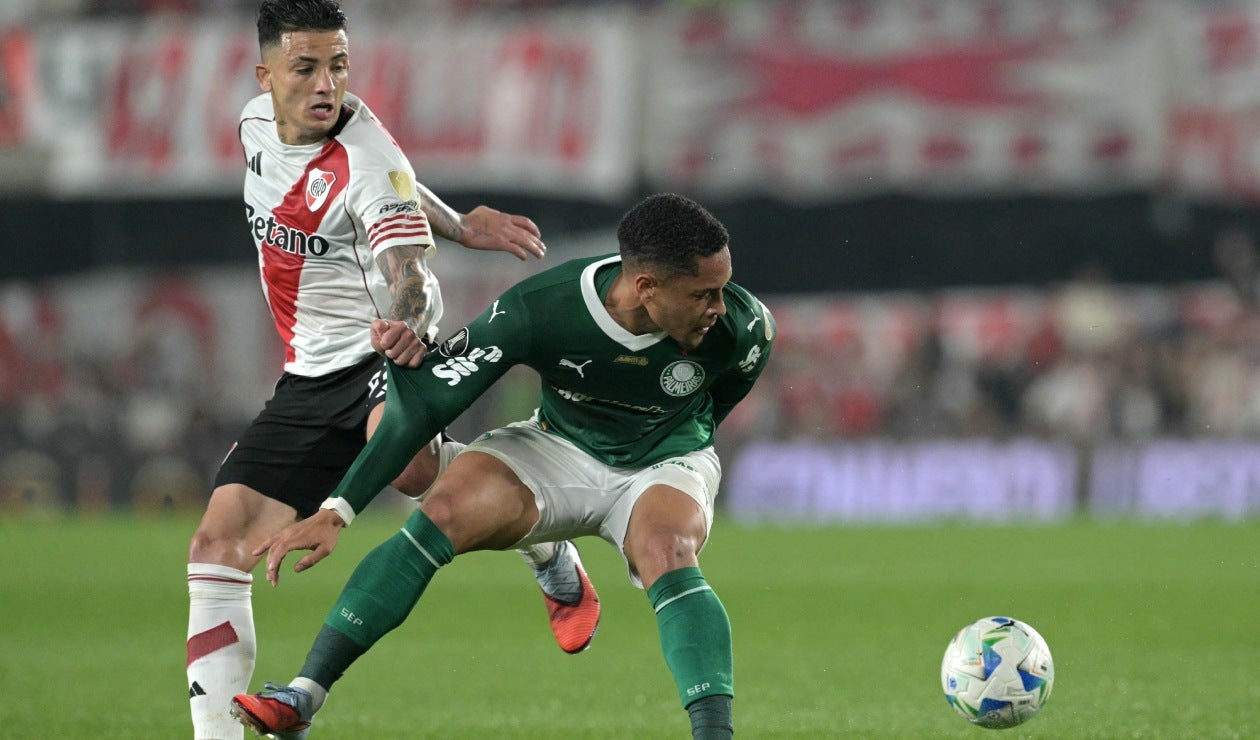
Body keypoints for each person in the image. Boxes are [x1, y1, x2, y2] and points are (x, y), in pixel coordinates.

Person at [187, 2, 601, 737]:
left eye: (340, 65)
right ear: (264, 76)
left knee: (408, 467)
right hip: (310, 373)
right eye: (307, 66)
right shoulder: (254, 125)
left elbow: (404, 263)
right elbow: (408, 187)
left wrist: (408, 327)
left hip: (389, 348)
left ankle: (545, 543)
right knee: (217, 543)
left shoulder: (364, 157)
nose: (327, 84)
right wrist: (463, 222)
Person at [229, 192, 776, 739]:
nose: (719, 307)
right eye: (703, 294)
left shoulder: (745, 328)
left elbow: (715, 406)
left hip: (664, 456)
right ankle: (303, 696)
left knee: (667, 550)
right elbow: (426, 407)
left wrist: (671, 442)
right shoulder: (542, 308)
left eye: (722, 290)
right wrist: (338, 509)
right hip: (555, 448)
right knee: (439, 507)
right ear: (646, 287)